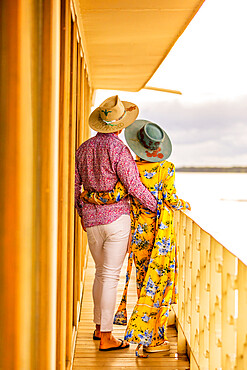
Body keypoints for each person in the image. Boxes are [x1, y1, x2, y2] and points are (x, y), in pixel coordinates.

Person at [81, 119, 191, 357]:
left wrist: (87, 201)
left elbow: (117, 192)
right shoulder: (160, 166)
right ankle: (135, 337)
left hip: (118, 227)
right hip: (149, 231)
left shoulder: (95, 152)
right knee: (148, 281)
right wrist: (166, 207)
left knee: (121, 276)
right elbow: (157, 195)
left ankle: (109, 329)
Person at [75, 97, 158, 351]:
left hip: (92, 220)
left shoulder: (84, 148)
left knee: (101, 274)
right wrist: (155, 206)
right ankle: (108, 337)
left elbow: (74, 185)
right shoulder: (119, 150)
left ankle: (99, 328)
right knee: (110, 275)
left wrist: (82, 213)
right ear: (120, 127)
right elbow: (133, 186)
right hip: (116, 220)